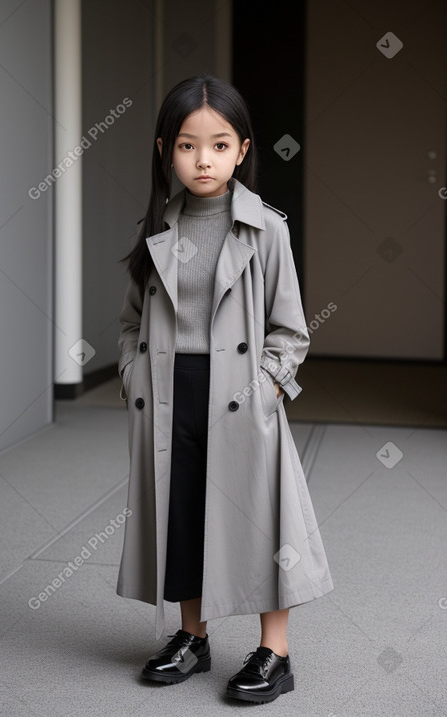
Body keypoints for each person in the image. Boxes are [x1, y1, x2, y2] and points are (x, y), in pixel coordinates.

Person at [116, 72, 334, 704]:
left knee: (263, 522)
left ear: (242, 150)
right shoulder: (158, 227)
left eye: (218, 144)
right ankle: (193, 635)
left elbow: (290, 331)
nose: (202, 159)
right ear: (165, 151)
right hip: (169, 392)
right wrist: (133, 376)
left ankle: (275, 652)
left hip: (240, 398)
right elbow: (131, 324)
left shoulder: (267, 229)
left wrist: (264, 390)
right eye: (187, 145)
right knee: (182, 514)